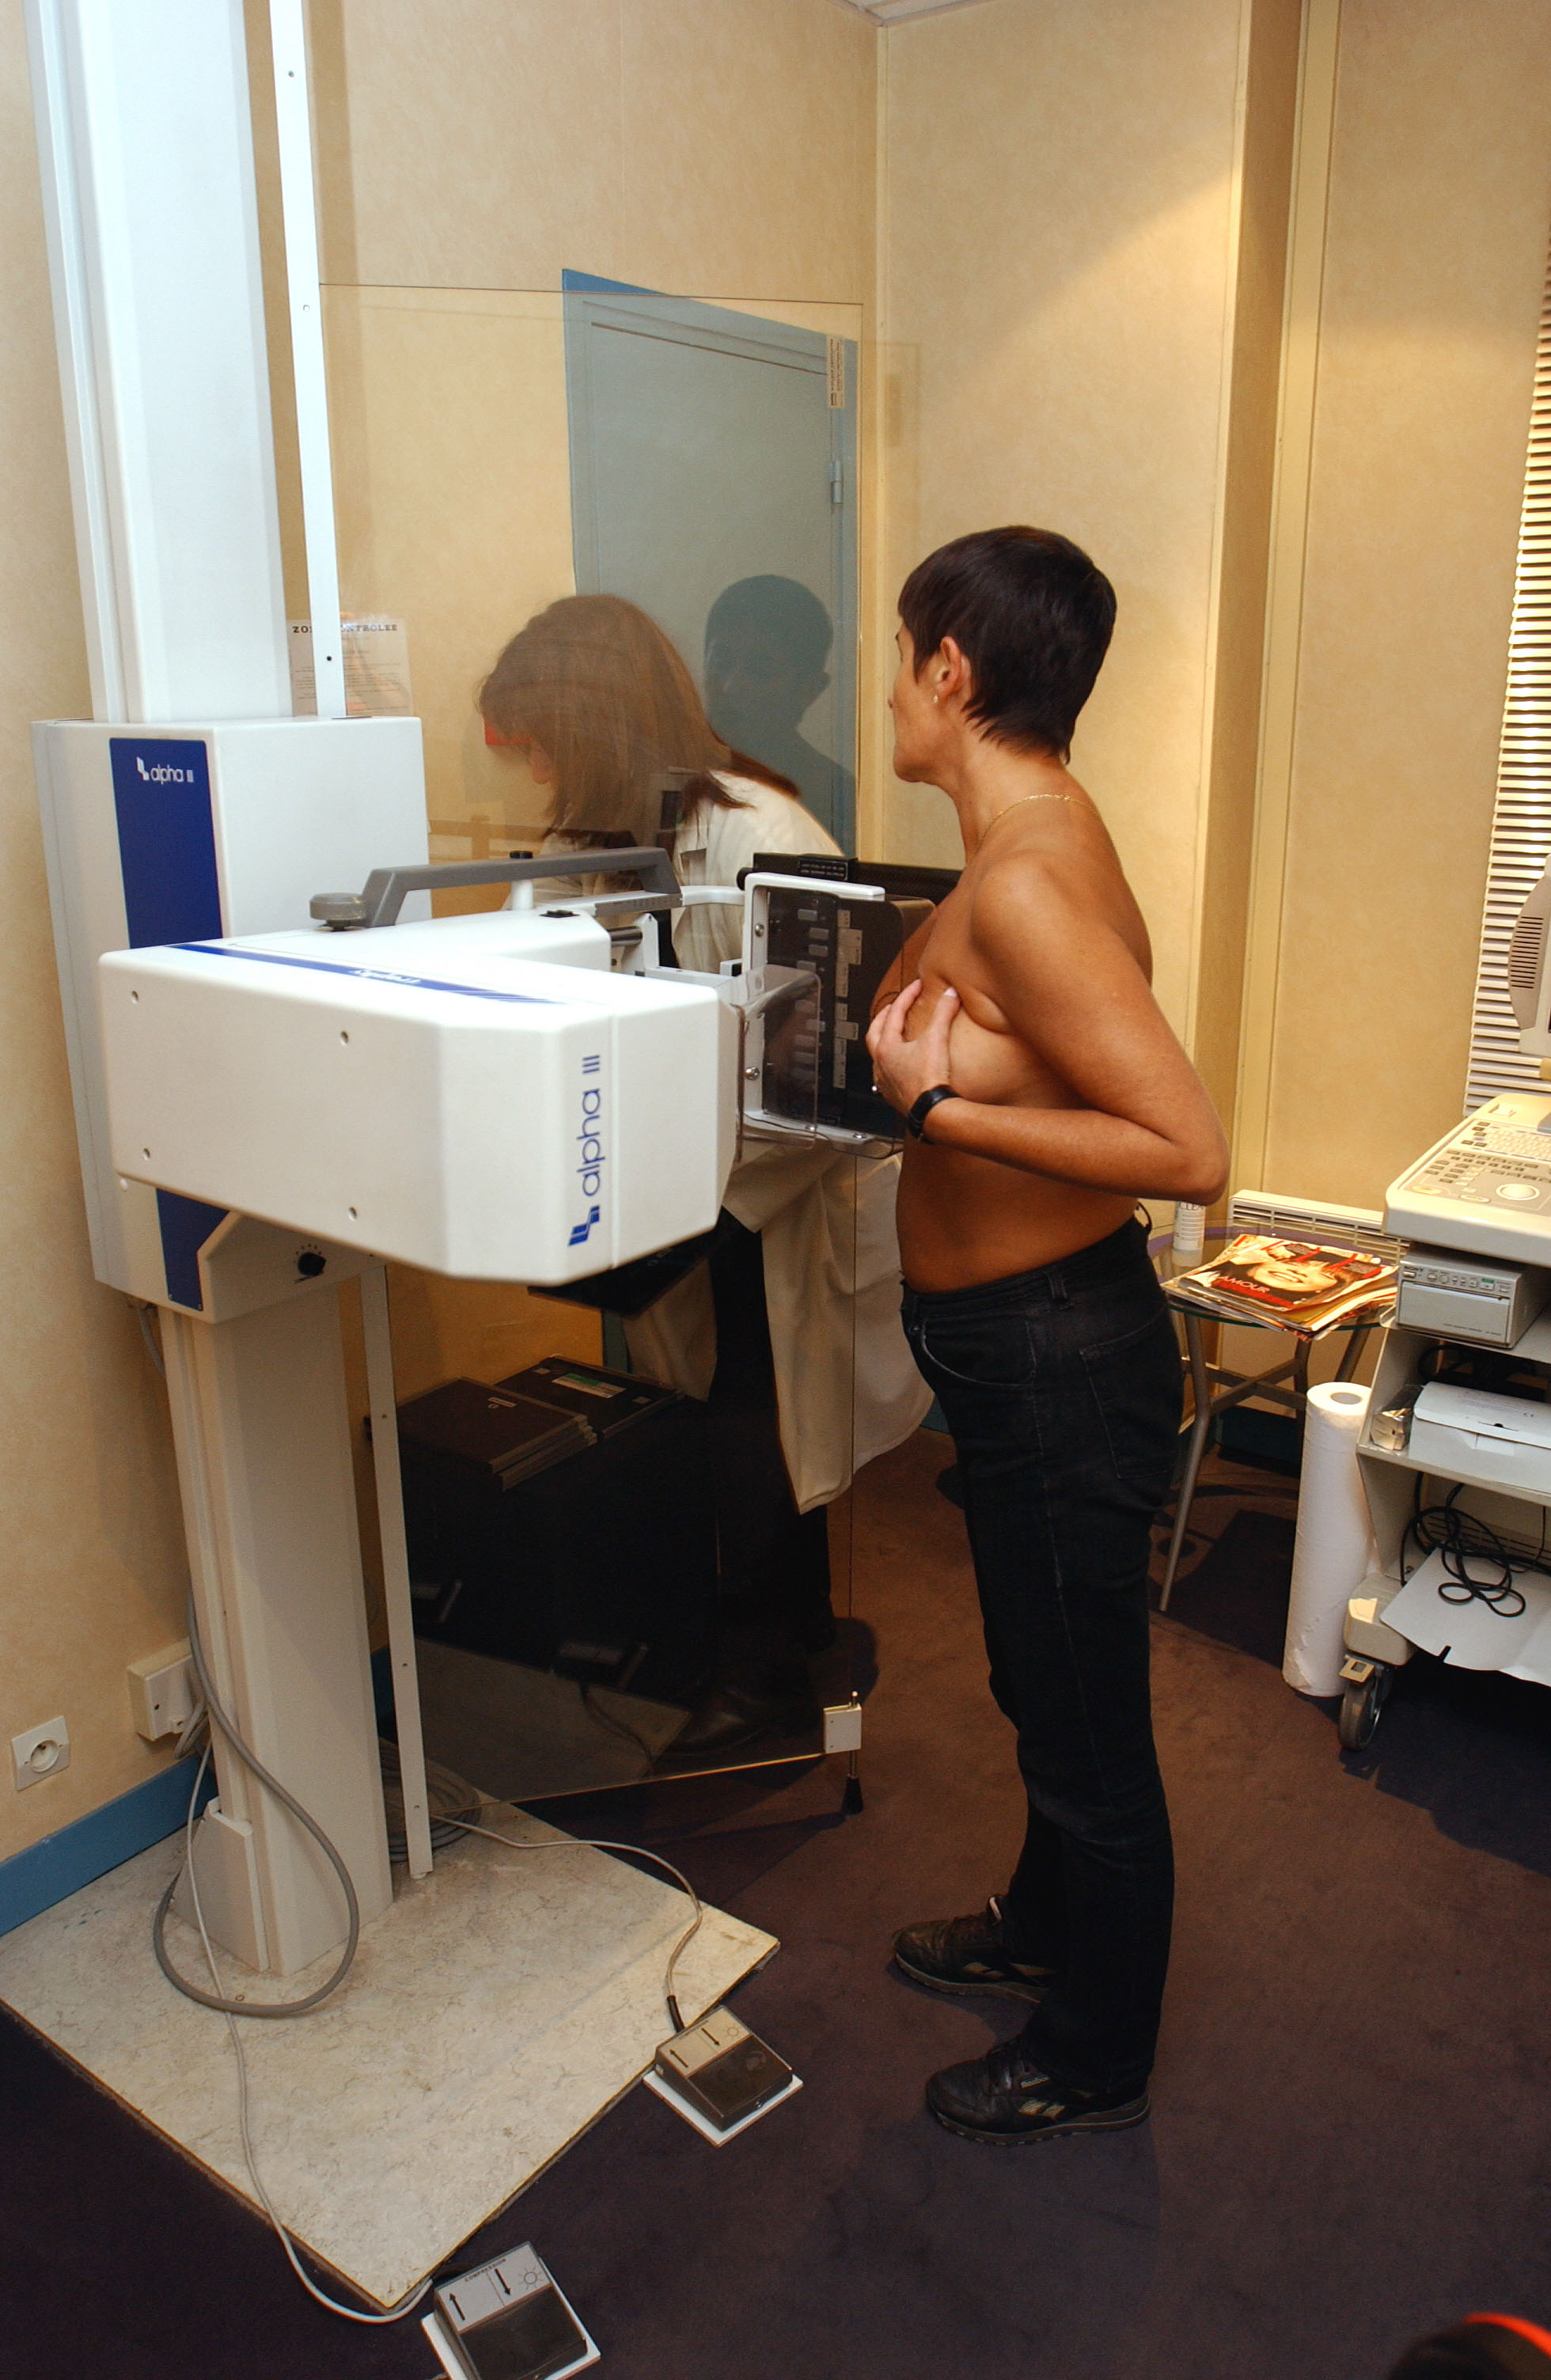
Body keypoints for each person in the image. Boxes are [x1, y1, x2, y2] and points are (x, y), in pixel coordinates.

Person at [865, 526, 1229, 2144]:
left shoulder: (1020, 879)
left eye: (901, 658)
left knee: (1086, 1729)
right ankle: (1038, 1921)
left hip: (1058, 1353)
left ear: (949, 669)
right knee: (1041, 1679)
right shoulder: (1039, 831)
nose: (892, 689)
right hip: (1027, 1349)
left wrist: (940, 1108)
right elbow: (1063, 1053)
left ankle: (1093, 2049)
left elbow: (1184, 1147)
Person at [480, 595, 929, 1752]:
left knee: (758, 1424)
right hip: (665, 1183)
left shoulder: (760, 831)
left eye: (544, 742)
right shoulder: (579, 850)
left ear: (597, 722)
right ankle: (757, 1635)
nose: (537, 771)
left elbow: (828, 1067)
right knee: (706, 1419)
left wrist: (697, 1183)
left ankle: (773, 1663)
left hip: (770, 1189)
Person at [703, 574, 856, 834]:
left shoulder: (831, 797)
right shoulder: (675, 768)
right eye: (720, 662)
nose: (730, 686)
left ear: (809, 690)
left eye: (759, 671)